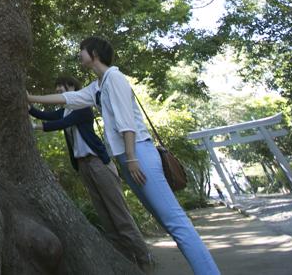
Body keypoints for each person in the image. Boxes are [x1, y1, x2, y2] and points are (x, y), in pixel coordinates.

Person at [29, 37, 220, 275]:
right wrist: (30, 99)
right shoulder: (98, 85)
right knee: (168, 223)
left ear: (95, 53)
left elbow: (126, 123)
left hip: (138, 154)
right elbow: (68, 99)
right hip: (128, 157)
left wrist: (131, 159)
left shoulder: (115, 78)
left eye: (82, 50)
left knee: (176, 223)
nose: (79, 54)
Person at [29, 75, 153, 272]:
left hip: (98, 164)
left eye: (64, 89)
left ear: (73, 89)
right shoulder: (66, 110)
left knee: (119, 215)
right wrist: (27, 105)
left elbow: (58, 124)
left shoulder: (81, 109)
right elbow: (47, 116)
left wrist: (34, 126)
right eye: (58, 90)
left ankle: (145, 260)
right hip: (84, 166)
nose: (61, 92)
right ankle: (125, 261)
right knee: (105, 216)